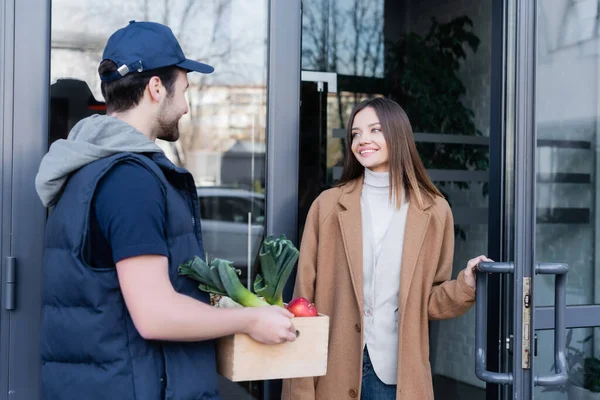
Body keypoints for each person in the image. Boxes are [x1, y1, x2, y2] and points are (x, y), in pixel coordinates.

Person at [35, 21, 296, 400]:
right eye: (185, 90)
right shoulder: (130, 180)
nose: (187, 106)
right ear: (156, 88)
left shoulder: (86, 168)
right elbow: (154, 313)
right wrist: (252, 318)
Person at [281, 97, 491, 400]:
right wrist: (299, 390)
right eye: (356, 133)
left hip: (397, 377)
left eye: (375, 130)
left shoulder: (434, 211)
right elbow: (302, 307)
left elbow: (429, 302)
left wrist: (466, 284)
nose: (363, 140)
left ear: (397, 135)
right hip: (331, 372)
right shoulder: (327, 207)